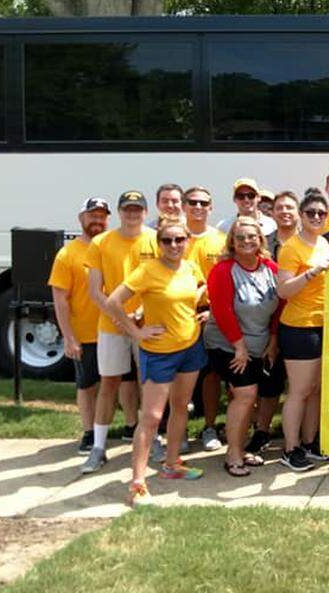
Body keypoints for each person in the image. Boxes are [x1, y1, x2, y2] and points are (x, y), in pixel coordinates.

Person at [103, 218, 207, 506]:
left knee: (181, 408)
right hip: (159, 352)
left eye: (179, 240)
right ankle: (137, 483)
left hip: (191, 347)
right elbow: (113, 301)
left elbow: (198, 289)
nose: (174, 245)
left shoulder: (190, 266)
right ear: (158, 244)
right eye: (167, 241)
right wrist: (135, 331)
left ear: (187, 241)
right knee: (151, 418)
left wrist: (203, 311)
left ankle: (172, 464)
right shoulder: (148, 270)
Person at [80, 190, 153, 474]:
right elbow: (95, 291)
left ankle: (152, 440)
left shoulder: (154, 239)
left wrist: (139, 316)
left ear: (145, 212)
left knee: (149, 383)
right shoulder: (101, 242)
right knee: (108, 384)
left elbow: (159, 280)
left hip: (145, 323)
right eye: (127, 208)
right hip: (112, 324)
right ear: (120, 212)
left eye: (137, 208)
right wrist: (122, 319)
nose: (132, 213)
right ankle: (98, 447)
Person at [205, 217, 281, 477]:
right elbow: (222, 311)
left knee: (250, 397)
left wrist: (272, 341)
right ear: (232, 243)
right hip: (226, 344)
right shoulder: (223, 270)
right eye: (240, 238)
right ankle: (233, 454)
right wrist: (239, 347)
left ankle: (239, 446)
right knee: (246, 394)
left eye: (252, 236)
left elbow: (278, 309)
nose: (247, 241)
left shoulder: (271, 268)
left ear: (261, 240)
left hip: (259, 344)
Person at [275, 191, 329, 471]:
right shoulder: (290, 247)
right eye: (310, 212)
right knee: (299, 391)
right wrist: (310, 273)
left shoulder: (324, 242)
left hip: (325, 324)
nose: (316, 217)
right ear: (301, 215)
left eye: (321, 213)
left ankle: (310, 443)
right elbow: (283, 289)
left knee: (316, 390)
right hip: (299, 326)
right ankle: (290, 448)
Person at [49, 197, 110, 455]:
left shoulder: (111, 246)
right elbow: (59, 299)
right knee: (88, 386)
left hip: (114, 329)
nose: (97, 221)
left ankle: (109, 428)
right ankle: (89, 433)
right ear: (81, 219)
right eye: (92, 215)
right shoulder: (67, 254)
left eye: (101, 216)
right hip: (85, 333)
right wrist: (68, 337)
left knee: (116, 385)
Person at [248, 191, 299, 455]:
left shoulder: (310, 242)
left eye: (290, 207)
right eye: (280, 208)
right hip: (267, 320)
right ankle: (262, 431)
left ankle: (302, 434)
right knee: (269, 381)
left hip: (300, 321)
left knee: (304, 385)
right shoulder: (263, 244)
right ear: (273, 212)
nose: (285, 212)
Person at [181, 185, 229, 452]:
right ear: (185, 206)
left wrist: (212, 310)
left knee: (211, 375)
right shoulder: (174, 238)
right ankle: (180, 430)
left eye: (203, 203)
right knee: (181, 376)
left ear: (211, 207)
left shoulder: (220, 240)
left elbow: (224, 279)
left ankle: (209, 427)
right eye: (193, 202)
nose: (198, 207)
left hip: (211, 315)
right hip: (179, 316)